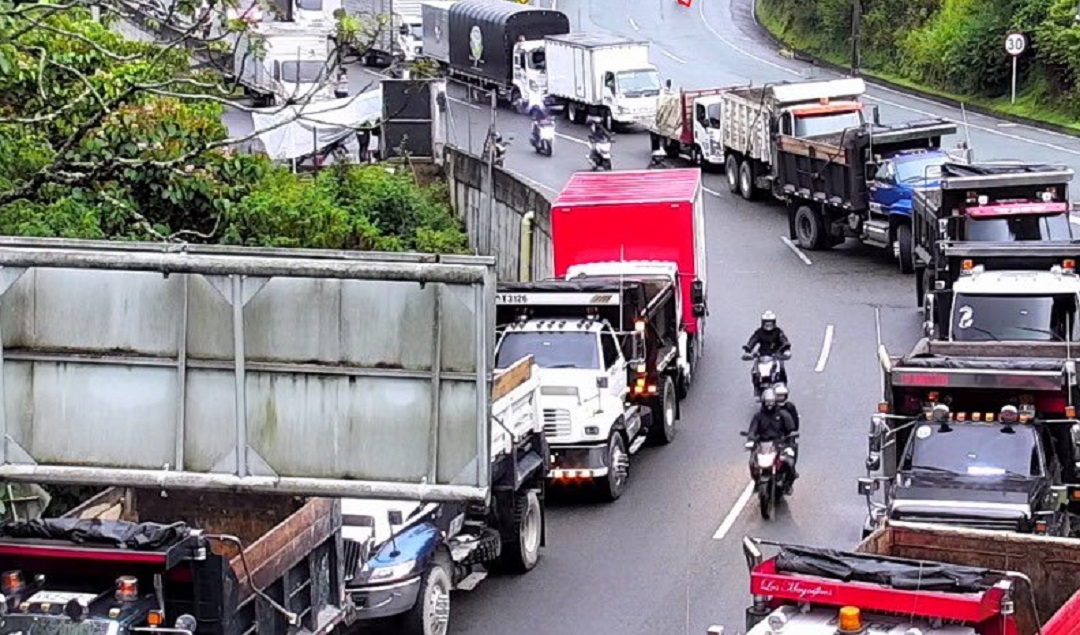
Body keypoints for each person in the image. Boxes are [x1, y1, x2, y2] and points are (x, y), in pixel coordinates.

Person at [746, 389, 798, 483]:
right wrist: (751, 439)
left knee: (789, 463)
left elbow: (791, 429)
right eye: (767, 402)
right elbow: (752, 429)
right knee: (753, 462)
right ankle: (757, 482)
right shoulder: (758, 416)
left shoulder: (783, 415)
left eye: (771, 402)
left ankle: (787, 483)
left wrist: (790, 439)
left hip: (779, 444)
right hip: (763, 445)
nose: (769, 405)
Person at [743, 310, 791, 388]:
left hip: (776, 355)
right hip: (762, 355)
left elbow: (784, 340)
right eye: (766, 322)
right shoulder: (759, 332)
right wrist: (748, 350)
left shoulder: (778, 332)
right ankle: (757, 386)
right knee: (755, 371)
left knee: (781, 368)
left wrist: (786, 350)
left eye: (770, 322)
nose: (768, 324)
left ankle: (783, 385)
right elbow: (753, 340)